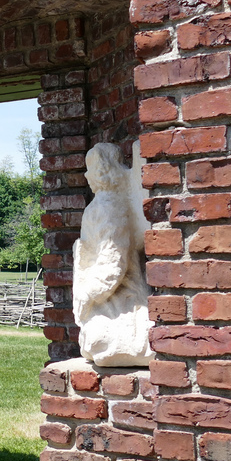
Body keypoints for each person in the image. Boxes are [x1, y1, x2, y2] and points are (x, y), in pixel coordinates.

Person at [72, 143, 152, 367]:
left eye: (91, 168)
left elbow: (113, 262)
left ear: (103, 169)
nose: (87, 175)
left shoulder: (109, 207)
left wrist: (87, 294)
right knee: (94, 338)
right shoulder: (101, 205)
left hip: (121, 301)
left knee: (100, 339)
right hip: (105, 298)